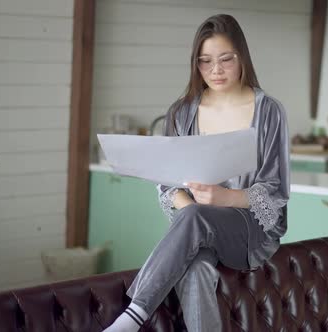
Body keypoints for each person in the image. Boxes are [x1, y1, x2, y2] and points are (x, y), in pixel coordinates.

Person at [104, 14, 290, 332]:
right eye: (205, 62)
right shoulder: (182, 111)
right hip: (195, 222)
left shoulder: (269, 110)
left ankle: (132, 317)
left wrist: (224, 197)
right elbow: (167, 183)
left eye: (225, 60)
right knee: (196, 270)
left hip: (249, 229)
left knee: (196, 220)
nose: (215, 70)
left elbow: (275, 194)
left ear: (242, 56)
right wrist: (192, 210)